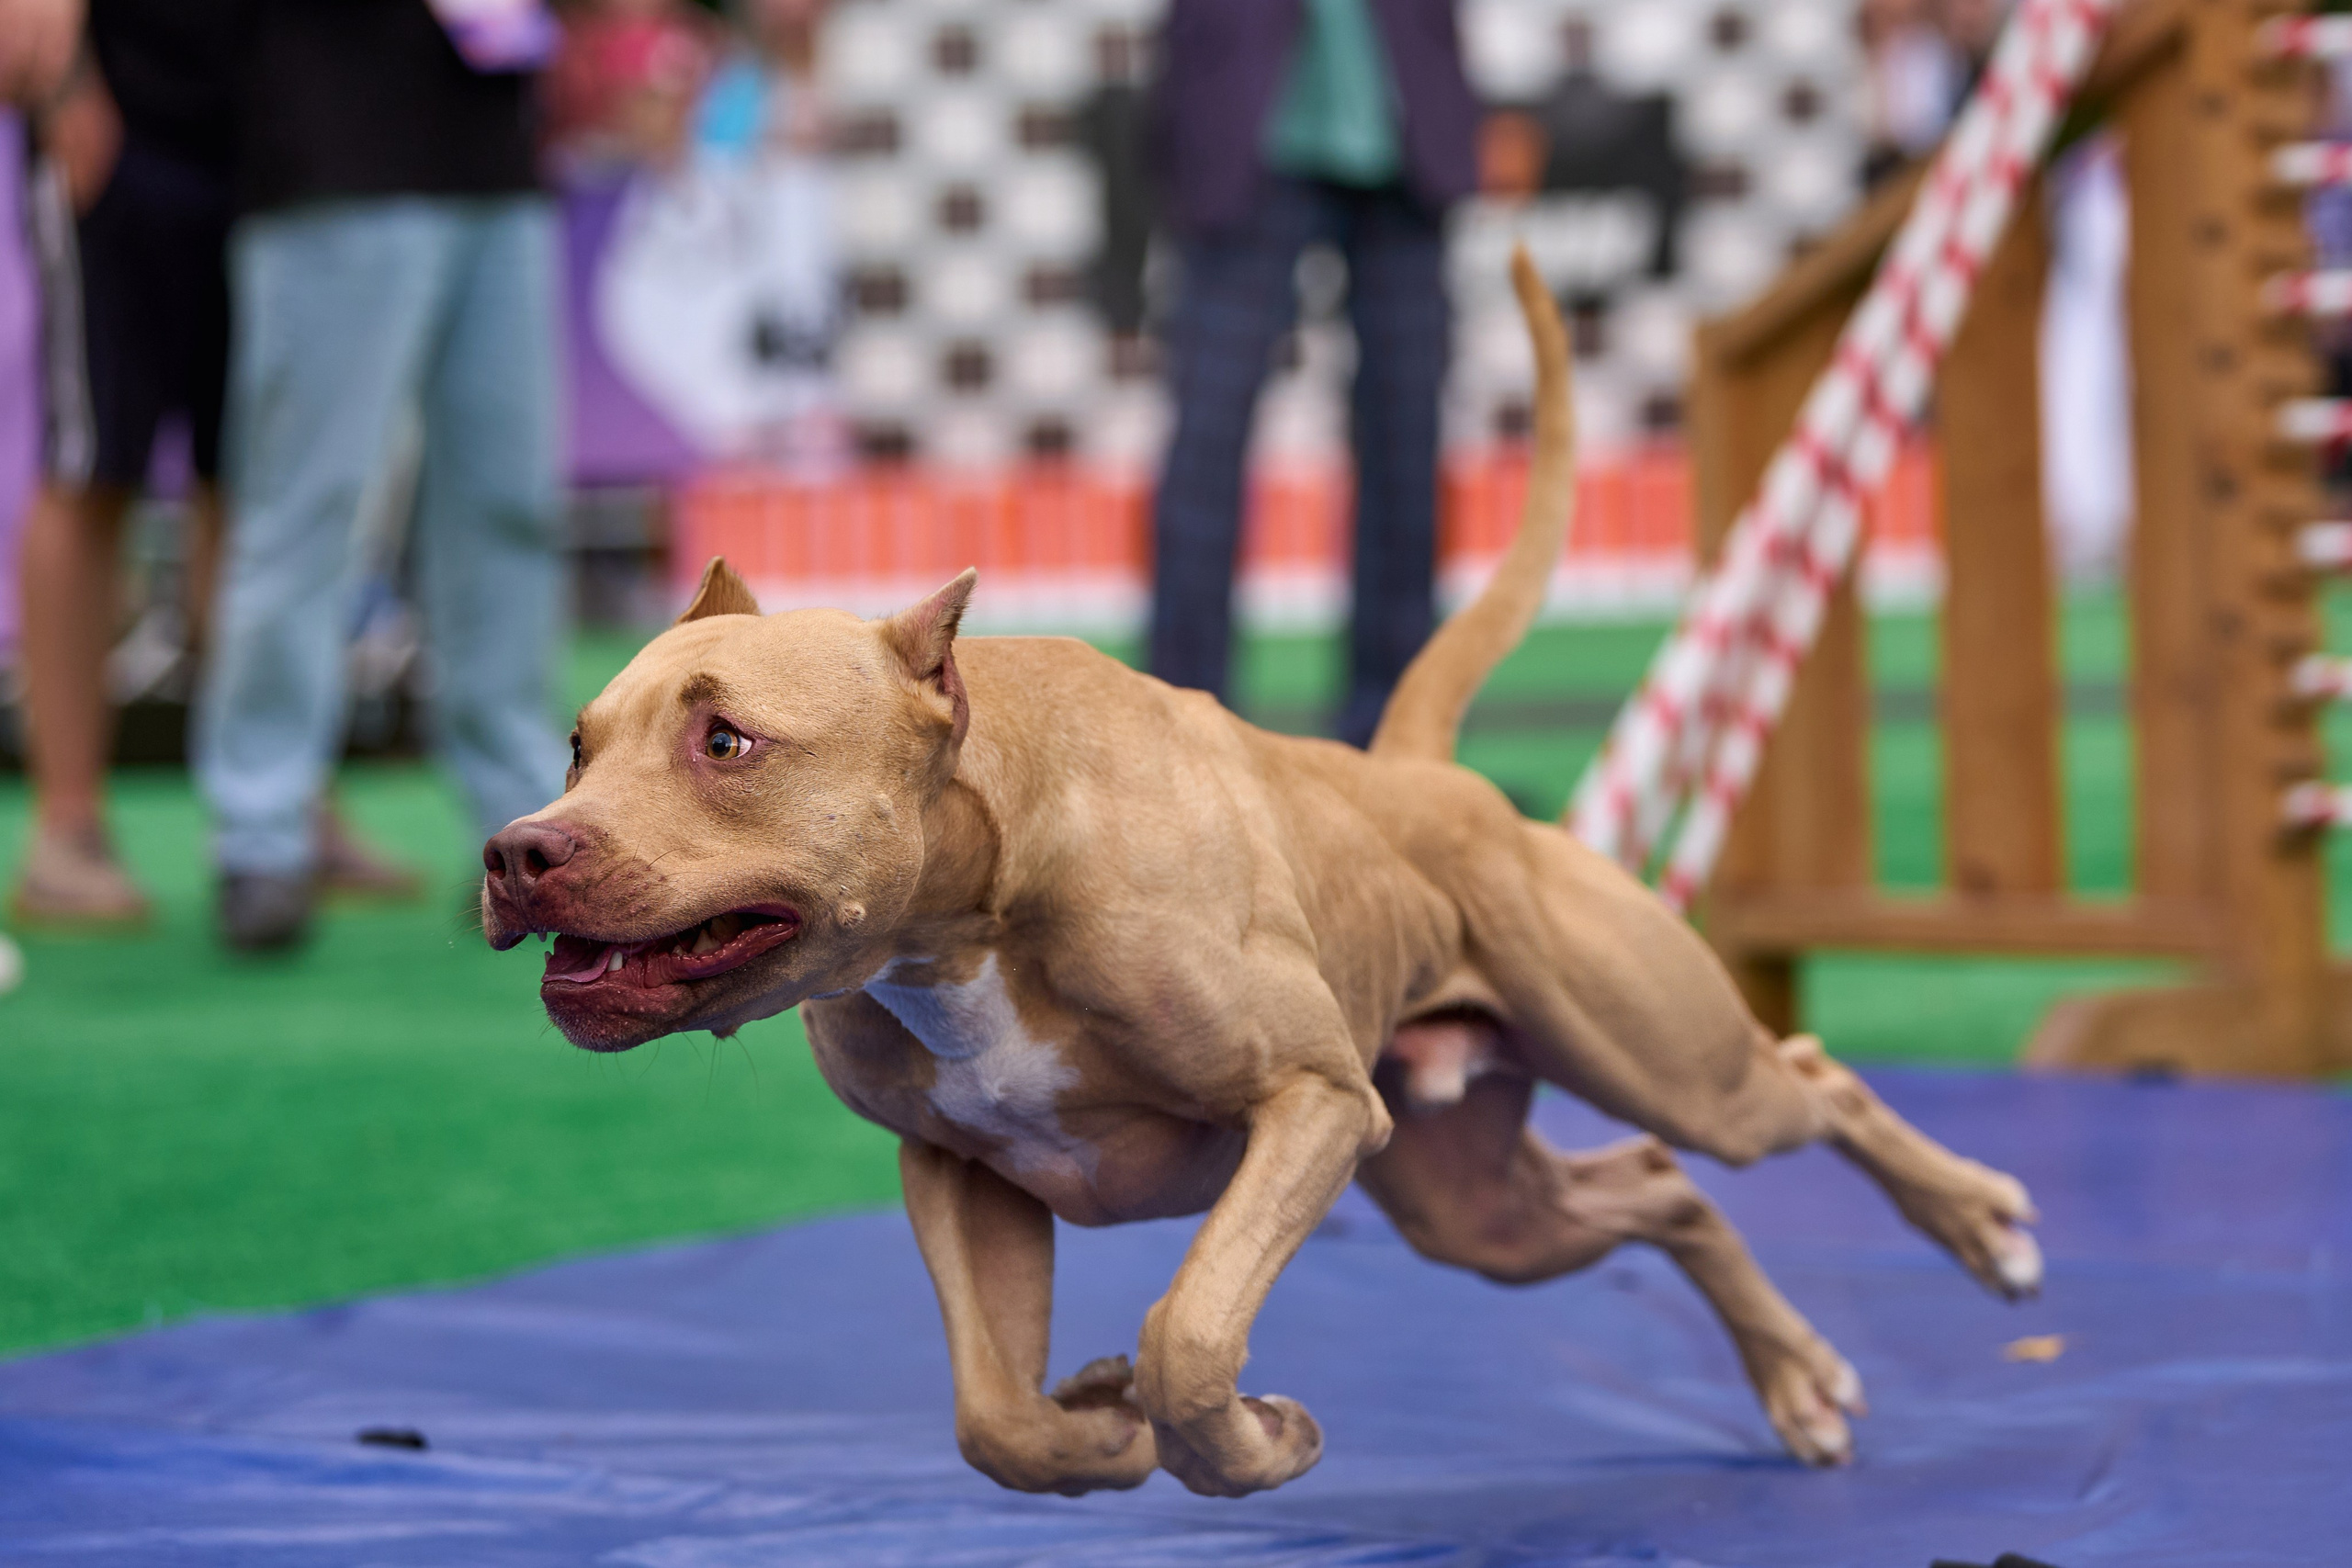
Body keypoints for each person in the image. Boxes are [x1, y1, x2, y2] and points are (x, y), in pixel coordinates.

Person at [1, 0, 419, 931]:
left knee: (257, 480)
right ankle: (68, 825)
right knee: (89, 463)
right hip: (116, 104)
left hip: (277, 124)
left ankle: (280, 797)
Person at [197, 0, 570, 948]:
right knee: (306, 510)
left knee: (509, 509)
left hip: (495, 155)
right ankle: (261, 832)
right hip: (332, 153)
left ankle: (527, 831)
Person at [1147, 0, 1479, 747]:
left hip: (1404, 131)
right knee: (1206, 443)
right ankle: (1178, 732)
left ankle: (1395, 733)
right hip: (1242, 125)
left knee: (1407, 446)